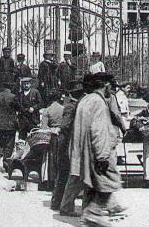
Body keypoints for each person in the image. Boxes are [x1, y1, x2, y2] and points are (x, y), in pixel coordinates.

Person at [70, 72, 126, 226]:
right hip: (96, 151)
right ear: (105, 85)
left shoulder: (86, 99)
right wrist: (102, 156)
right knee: (109, 181)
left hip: (84, 151)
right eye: (111, 85)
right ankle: (92, 214)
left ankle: (87, 218)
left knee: (92, 185)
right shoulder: (99, 103)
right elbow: (99, 131)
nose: (112, 89)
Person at [52, 80, 85, 215]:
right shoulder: (71, 106)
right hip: (65, 143)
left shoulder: (72, 105)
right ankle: (59, 203)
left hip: (66, 142)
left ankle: (57, 202)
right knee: (64, 173)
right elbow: (65, 126)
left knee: (64, 173)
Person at [0, 83, 20, 173]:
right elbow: (19, 108)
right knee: (9, 145)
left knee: (2, 143)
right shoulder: (13, 97)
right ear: (11, 88)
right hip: (10, 125)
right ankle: (6, 165)